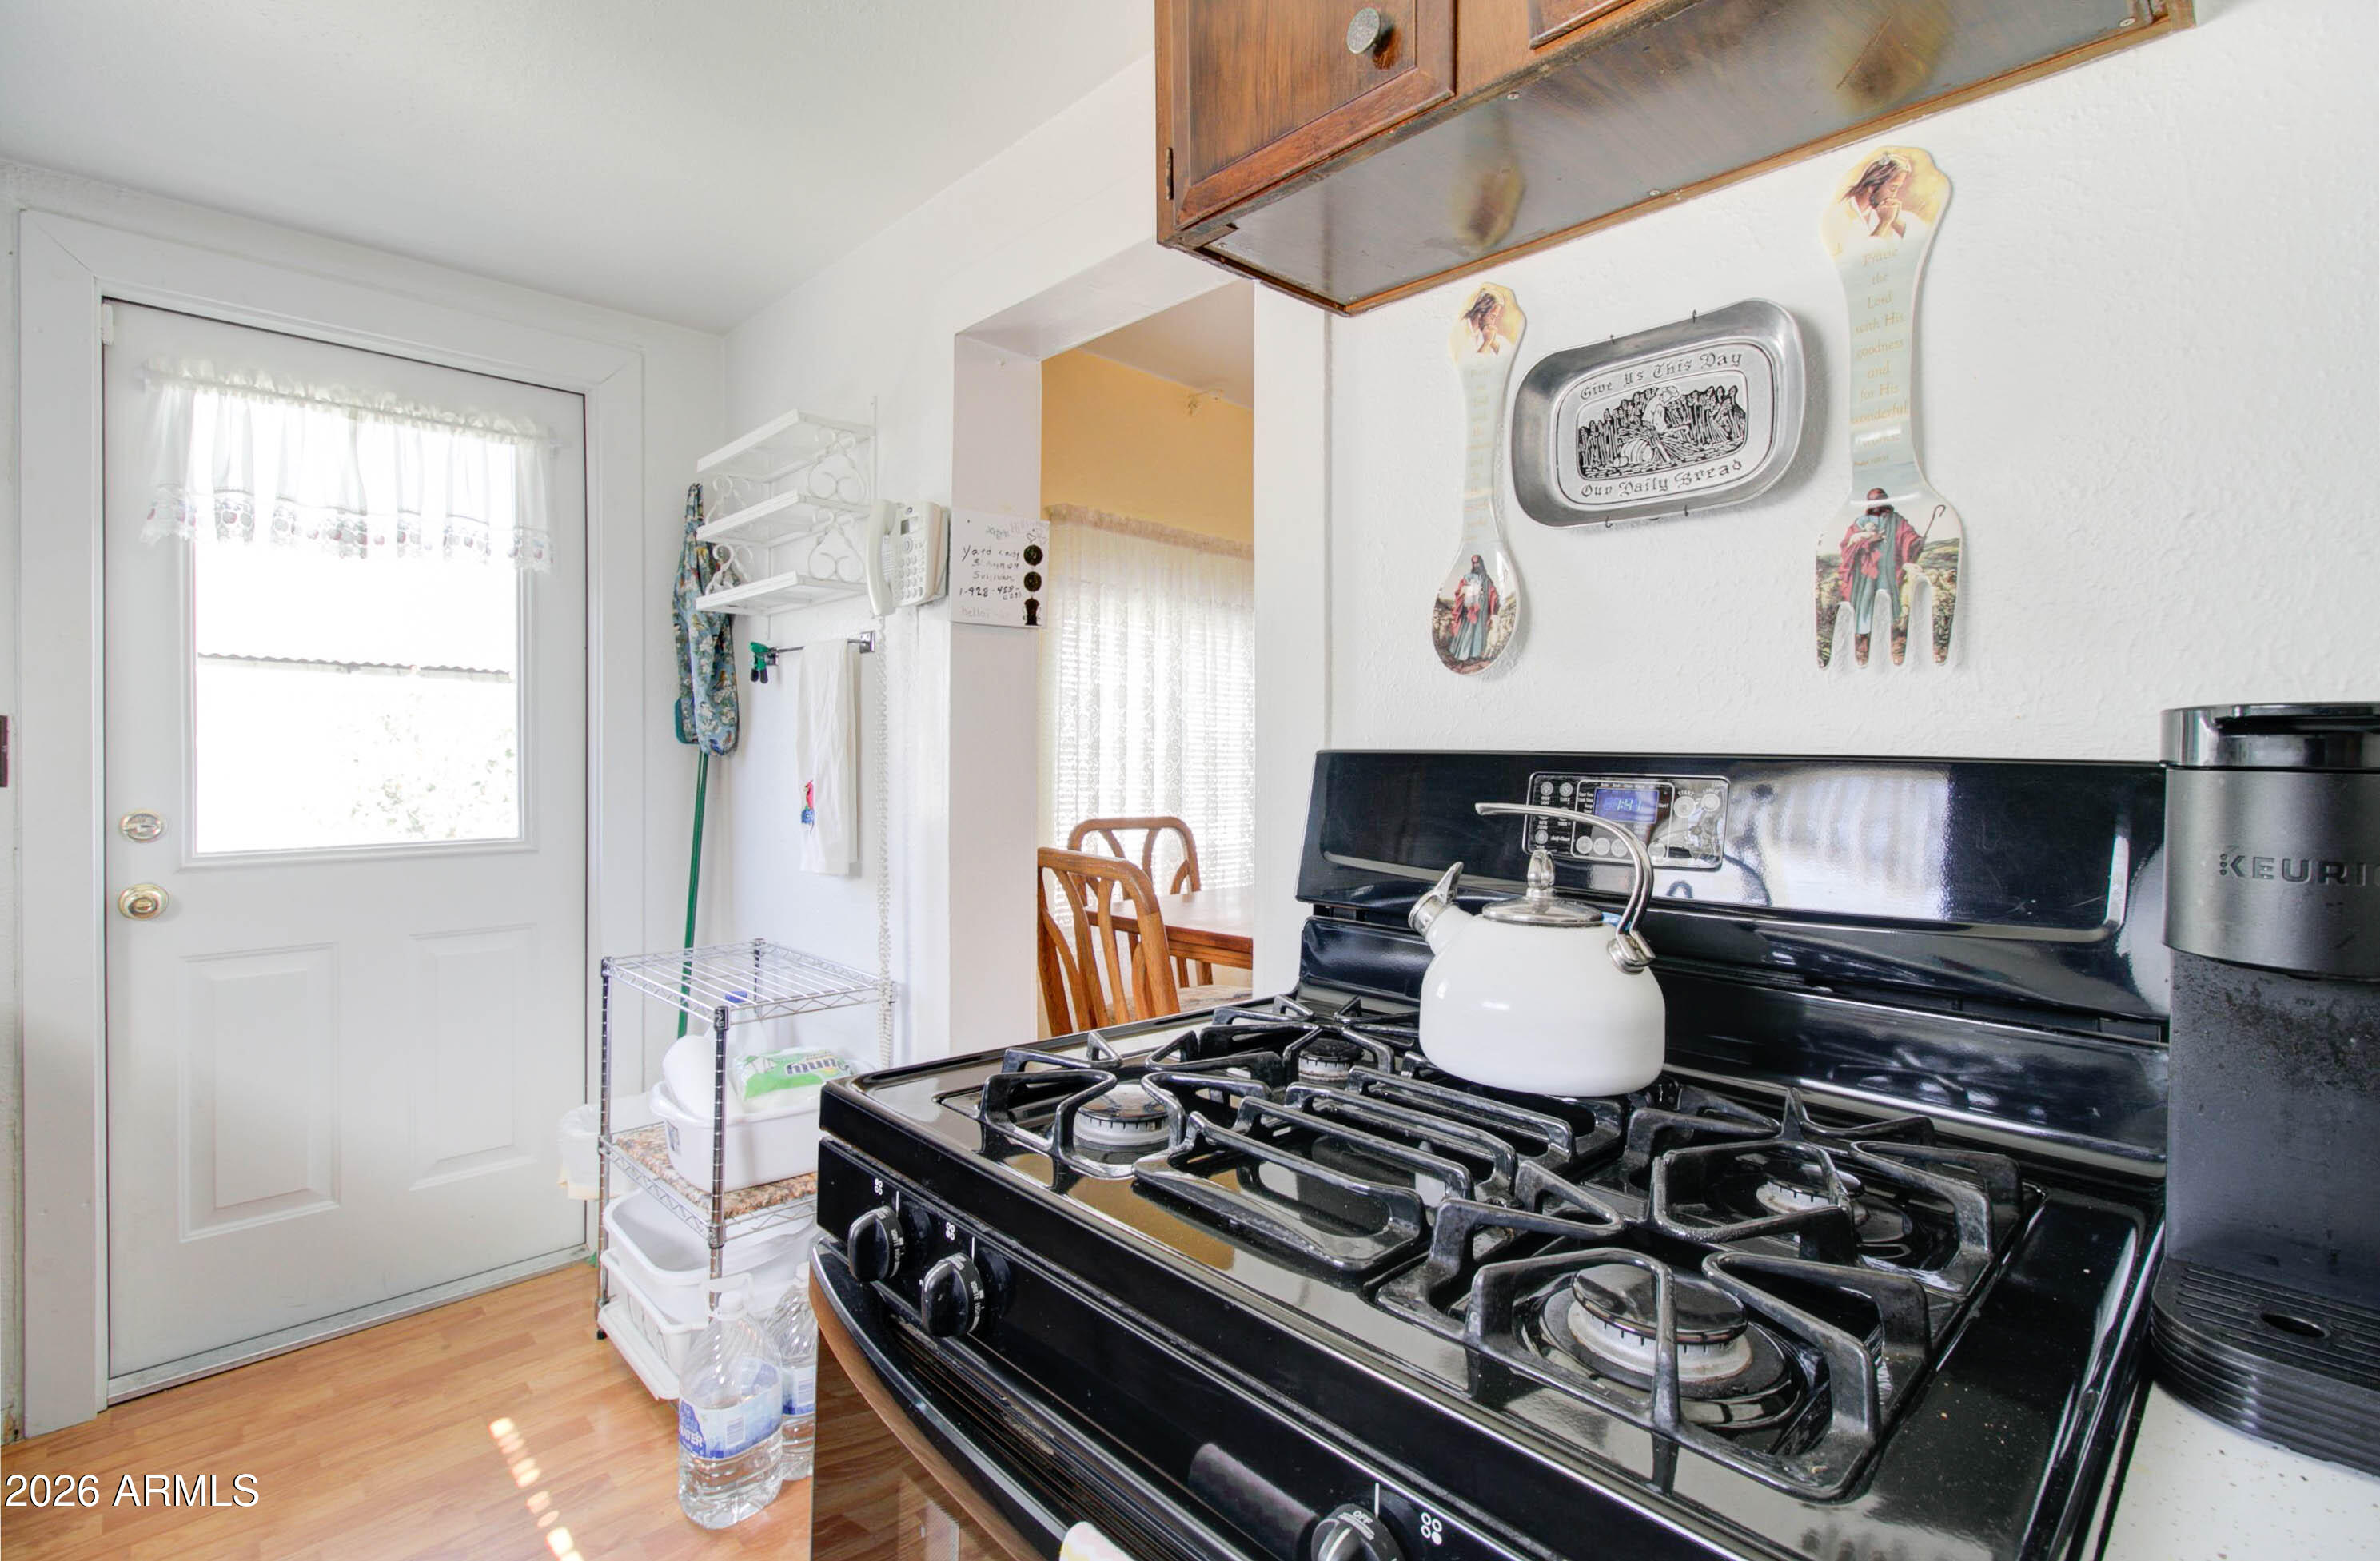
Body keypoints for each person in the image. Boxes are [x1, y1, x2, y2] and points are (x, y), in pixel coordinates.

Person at [1837, 489, 1924, 663]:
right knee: (1865, 600)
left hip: (1889, 569)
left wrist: (1916, 542)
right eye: (1874, 502)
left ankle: (1896, 635)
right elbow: (1848, 544)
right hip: (1867, 570)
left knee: (1892, 597)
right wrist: (1868, 540)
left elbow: (1908, 536)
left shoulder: (1896, 520)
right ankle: (1862, 635)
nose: (1877, 504)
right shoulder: (1861, 521)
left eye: (1880, 500)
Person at [1450, 553, 1497, 664]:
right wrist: (1467, 592)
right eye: (1474, 563)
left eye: (1478, 563)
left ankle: (1475, 654)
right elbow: (1462, 588)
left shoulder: (1486, 579)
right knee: (1469, 630)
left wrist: (1494, 599)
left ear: (1481, 564)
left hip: (1483, 609)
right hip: (1472, 607)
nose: (1476, 565)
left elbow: (1492, 592)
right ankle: (1463, 654)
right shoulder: (1469, 577)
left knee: (1479, 631)